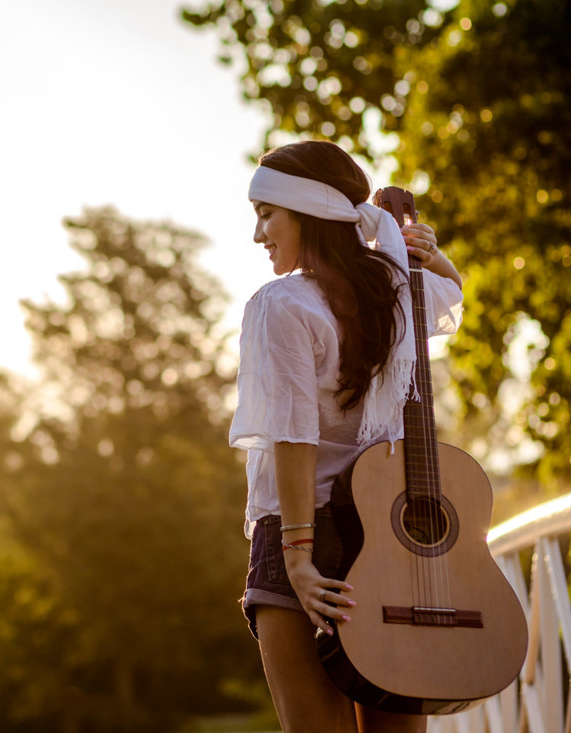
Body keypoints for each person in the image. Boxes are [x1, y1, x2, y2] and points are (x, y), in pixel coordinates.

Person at [230, 140, 464, 732]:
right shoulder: (395, 293)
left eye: (266, 215)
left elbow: (293, 435)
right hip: (387, 537)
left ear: (306, 211)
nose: (259, 235)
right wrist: (429, 256)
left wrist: (299, 558)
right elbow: (453, 292)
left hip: (301, 539)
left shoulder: (281, 304)